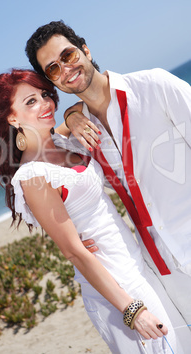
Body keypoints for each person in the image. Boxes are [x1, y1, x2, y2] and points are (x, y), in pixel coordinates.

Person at [0, 68, 190, 353]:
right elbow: (74, 251)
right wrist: (132, 310)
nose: (45, 103)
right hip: (114, 285)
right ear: (11, 118)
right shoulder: (33, 175)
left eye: (44, 95)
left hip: (140, 264)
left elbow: (82, 104)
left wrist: (71, 116)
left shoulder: (63, 142)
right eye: (30, 102)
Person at [25, 20, 191, 327]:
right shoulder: (78, 137)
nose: (65, 69)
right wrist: (71, 114)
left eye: (69, 56)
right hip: (164, 270)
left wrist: (71, 113)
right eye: (53, 69)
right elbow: (45, 154)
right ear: (53, 82)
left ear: (85, 50)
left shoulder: (155, 87)